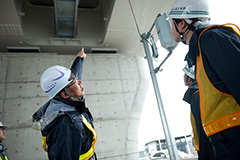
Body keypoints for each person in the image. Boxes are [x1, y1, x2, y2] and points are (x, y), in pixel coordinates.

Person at [168, 0, 240, 159]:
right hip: (226, 144)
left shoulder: (211, 39)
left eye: (172, 23)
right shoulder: (201, 48)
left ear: (182, 24)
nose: (170, 28)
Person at [32, 48, 97, 160]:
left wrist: (80, 58)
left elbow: (74, 76)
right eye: (75, 82)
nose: (80, 82)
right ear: (65, 95)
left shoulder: (62, 100)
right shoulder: (66, 125)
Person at [182, 64, 214, 160]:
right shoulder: (198, 95)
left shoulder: (197, 97)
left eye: (185, 74)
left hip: (207, 149)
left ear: (190, 79)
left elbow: (201, 128)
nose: (183, 77)